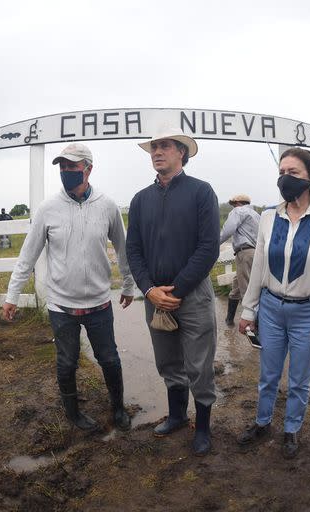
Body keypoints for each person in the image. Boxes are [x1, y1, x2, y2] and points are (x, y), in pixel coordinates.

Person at [3, 143, 135, 432]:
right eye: (62, 168)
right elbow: (28, 255)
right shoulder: (47, 210)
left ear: (88, 169)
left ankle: (118, 408)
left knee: (109, 359)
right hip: (61, 305)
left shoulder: (107, 206)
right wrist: (12, 295)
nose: (65, 172)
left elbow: (124, 250)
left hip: (99, 303)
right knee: (66, 362)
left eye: (72, 167)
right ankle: (73, 413)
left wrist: (128, 284)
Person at [236, 148, 310, 459]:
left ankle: (292, 429)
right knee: (268, 374)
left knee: (299, 378)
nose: (285, 178)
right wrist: (249, 309)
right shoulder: (269, 216)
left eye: (293, 172)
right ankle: (262, 422)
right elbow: (259, 265)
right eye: (282, 171)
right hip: (271, 308)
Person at [126, 128, 220, 456]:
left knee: (199, 363)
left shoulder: (201, 192)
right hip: (155, 297)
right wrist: (150, 290)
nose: (156, 152)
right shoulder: (140, 200)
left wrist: (176, 290)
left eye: (164, 146)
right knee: (167, 360)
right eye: (154, 147)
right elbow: (133, 251)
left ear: (182, 152)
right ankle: (178, 415)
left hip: (192, 294)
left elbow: (209, 248)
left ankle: (204, 426)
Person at [219, 194, 260, 328]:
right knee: (237, 286)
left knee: (246, 289)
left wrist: (213, 244)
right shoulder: (256, 215)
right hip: (256, 253)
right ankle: (229, 320)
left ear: (237, 203)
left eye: (233, 204)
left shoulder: (238, 211)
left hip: (244, 252)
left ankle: (255, 325)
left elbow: (227, 230)